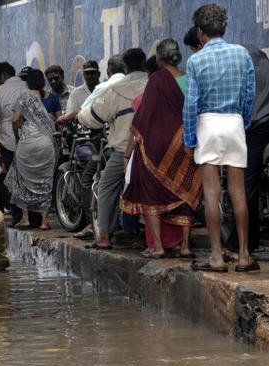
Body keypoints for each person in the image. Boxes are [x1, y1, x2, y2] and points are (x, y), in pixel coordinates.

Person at [183, 4, 257, 272]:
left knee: (211, 193)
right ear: (223, 28)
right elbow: (250, 94)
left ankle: (215, 256)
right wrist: (243, 122)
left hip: (208, 124)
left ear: (200, 33)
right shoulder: (242, 54)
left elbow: (191, 103)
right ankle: (245, 256)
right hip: (234, 123)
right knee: (238, 192)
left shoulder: (195, 61)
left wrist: (190, 138)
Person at [120, 39, 202, 259]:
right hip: (186, 142)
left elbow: (143, 118)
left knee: (152, 196)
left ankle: (158, 247)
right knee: (186, 193)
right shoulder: (189, 78)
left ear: (159, 59)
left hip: (156, 147)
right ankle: (184, 246)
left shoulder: (156, 80)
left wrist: (128, 153)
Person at [78, 48, 148, 250]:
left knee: (106, 187)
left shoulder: (116, 89)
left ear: (126, 67)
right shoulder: (153, 83)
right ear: (145, 64)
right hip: (153, 150)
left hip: (124, 150)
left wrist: (80, 116)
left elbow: (94, 118)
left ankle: (104, 236)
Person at [73, 56, 126, 241]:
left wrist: (78, 117)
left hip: (111, 144)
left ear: (106, 71)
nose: (90, 77)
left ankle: (97, 229)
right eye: (87, 74)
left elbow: (87, 115)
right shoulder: (143, 83)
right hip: (134, 143)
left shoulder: (104, 89)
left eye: (93, 73)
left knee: (94, 181)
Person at [225, 46, 269, 259]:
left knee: (245, 187)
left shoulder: (244, 72)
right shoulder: (265, 67)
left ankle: (238, 244)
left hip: (253, 130)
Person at [5, 69, 57, 230]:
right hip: (47, 142)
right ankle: (44, 222)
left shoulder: (23, 98)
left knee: (22, 179)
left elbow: (15, 120)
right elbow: (58, 119)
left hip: (28, 141)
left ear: (28, 82)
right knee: (46, 181)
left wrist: (16, 135)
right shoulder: (51, 97)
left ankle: (26, 219)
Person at [0, 62, 35, 223]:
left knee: (13, 180)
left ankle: (18, 217)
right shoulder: (28, 86)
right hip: (33, 139)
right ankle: (34, 218)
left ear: (2, 75)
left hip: (9, 141)